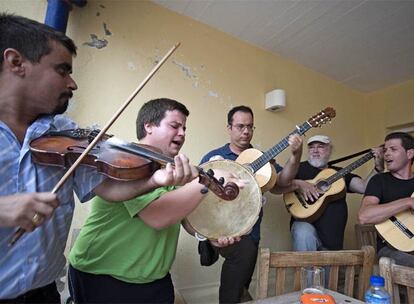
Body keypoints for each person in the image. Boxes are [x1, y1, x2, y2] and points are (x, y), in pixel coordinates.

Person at [0, 14, 196, 303]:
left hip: (44, 291)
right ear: (16, 63)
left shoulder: (65, 132)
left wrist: (154, 180)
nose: (73, 82)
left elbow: (109, 189)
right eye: (62, 70)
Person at [68, 98, 243, 303]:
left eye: (184, 128)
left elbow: (183, 217)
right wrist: (210, 179)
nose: (182, 133)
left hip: (154, 278)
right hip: (103, 275)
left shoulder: (172, 166)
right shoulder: (125, 162)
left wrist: (207, 235)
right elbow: (158, 216)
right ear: (148, 126)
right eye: (175, 126)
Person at [199, 105, 303, 303]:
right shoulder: (215, 157)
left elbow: (282, 182)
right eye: (240, 126)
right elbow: (200, 194)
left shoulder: (261, 158)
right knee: (243, 253)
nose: (246, 131)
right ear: (229, 128)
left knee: (242, 278)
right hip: (220, 227)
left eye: (250, 126)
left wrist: (296, 155)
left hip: (249, 229)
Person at [273, 134, 384, 252]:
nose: (315, 150)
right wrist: (299, 184)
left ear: (330, 150)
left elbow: (364, 187)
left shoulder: (339, 173)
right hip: (305, 230)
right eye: (311, 147)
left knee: (328, 269)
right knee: (303, 231)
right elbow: (278, 185)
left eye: (320, 146)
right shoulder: (298, 168)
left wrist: (378, 169)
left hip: (332, 240)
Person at [359, 132, 414, 267]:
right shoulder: (379, 181)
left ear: (410, 154)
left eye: (393, 149)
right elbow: (364, 216)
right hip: (390, 249)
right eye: (385, 150)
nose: (386, 154)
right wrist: (407, 202)